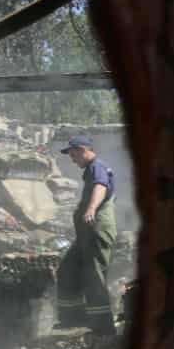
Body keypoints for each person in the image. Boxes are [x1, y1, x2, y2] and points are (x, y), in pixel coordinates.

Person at [56, 135, 117, 334]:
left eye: (73, 155)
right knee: (67, 270)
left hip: (96, 229)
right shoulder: (91, 168)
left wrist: (91, 208)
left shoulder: (96, 166)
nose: (72, 160)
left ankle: (102, 326)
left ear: (83, 149)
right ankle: (73, 318)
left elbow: (100, 186)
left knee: (94, 275)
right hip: (86, 233)